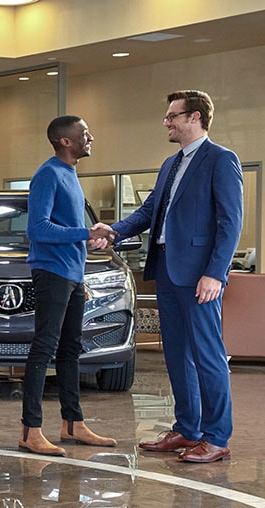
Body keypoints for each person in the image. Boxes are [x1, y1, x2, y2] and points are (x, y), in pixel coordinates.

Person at [111, 90, 243, 463]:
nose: (167, 122)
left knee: (208, 356)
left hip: (200, 276)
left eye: (173, 116)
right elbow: (149, 211)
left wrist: (215, 273)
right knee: (177, 355)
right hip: (167, 271)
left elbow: (230, 223)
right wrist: (114, 231)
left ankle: (217, 437)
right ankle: (188, 428)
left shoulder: (221, 160)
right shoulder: (170, 164)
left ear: (195, 118)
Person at [18, 115, 119, 456]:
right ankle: (30, 430)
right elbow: (38, 229)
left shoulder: (70, 174)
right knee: (44, 348)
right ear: (65, 140)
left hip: (73, 274)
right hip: (52, 272)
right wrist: (85, 233)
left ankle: (72, 425)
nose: (90, 137)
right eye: (84, 133)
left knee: (71, 349)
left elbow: (66, 230)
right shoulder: (48, 174)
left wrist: (89, 240)